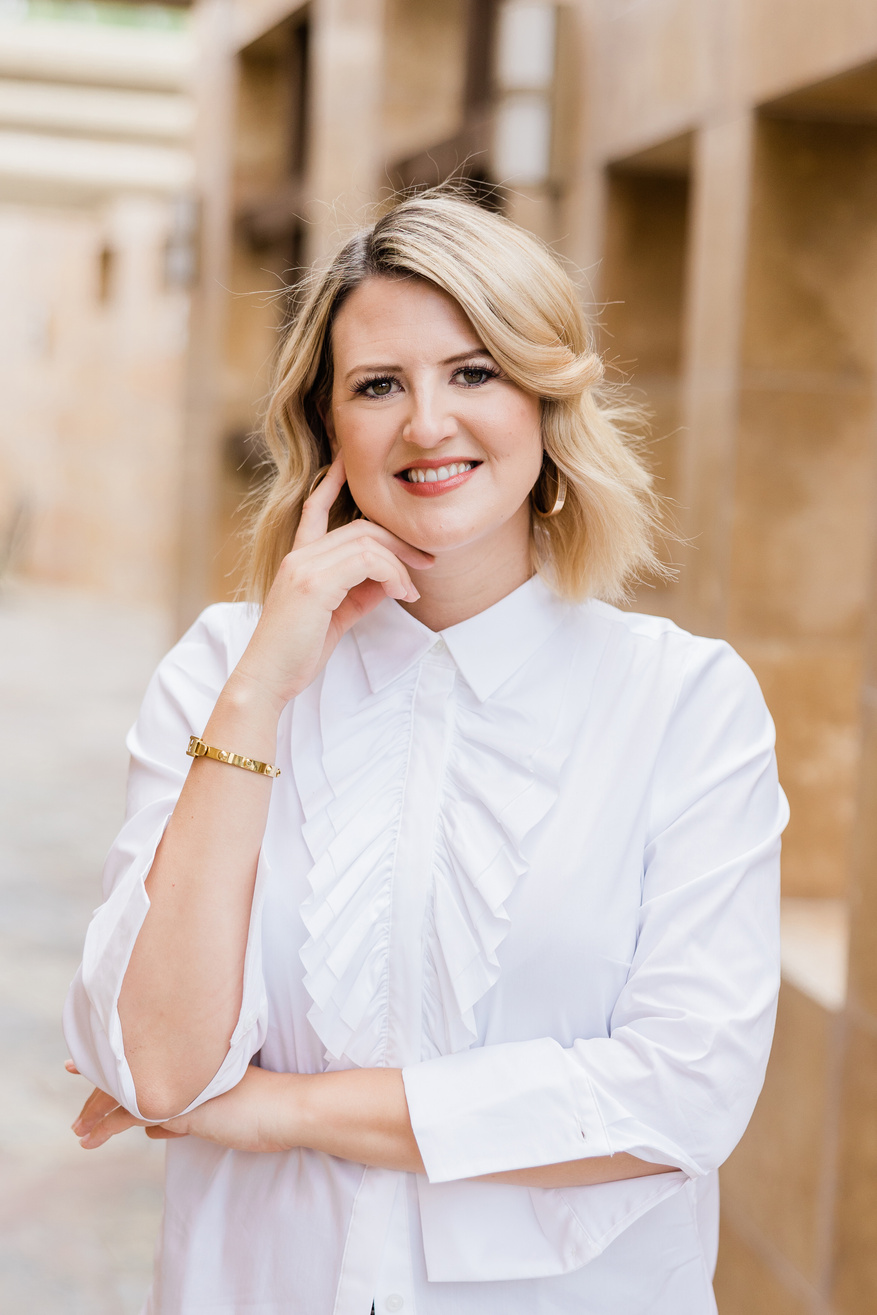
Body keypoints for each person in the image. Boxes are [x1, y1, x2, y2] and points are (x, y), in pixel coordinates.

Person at [64, 192, 788, 1315]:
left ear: (545, 403)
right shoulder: (218, 671)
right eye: (378, 385)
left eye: (474, 373)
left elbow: (679, 1095)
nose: (427, 424)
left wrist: (271, 1108)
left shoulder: (684, 704)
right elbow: (159, 1067)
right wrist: (261, 688)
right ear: (327, 428)